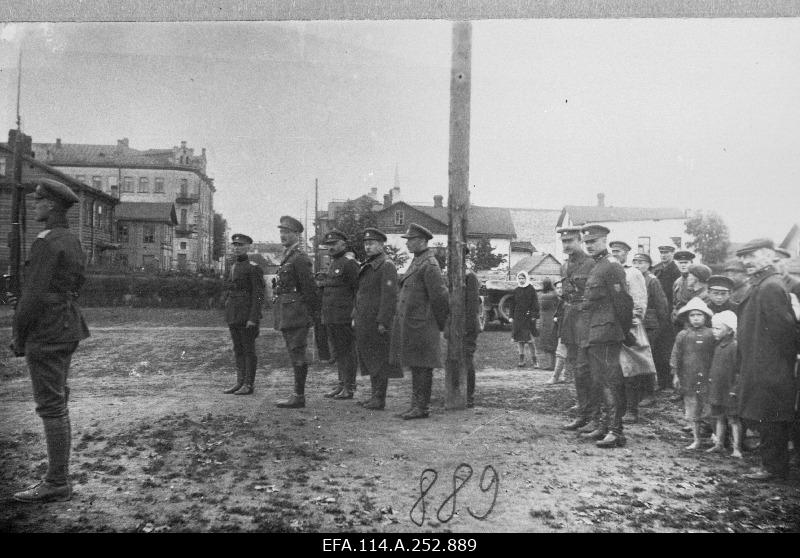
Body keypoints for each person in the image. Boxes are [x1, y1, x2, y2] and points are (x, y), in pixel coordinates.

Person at [11, 179, 90, 503]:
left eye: (40, 200)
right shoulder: (72, 240)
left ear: (53, 206)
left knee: (52, 406)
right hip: (67, 325)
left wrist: (19, 333)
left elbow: (32, 295)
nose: (35, 204)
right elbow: (77, 283)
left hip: (46, 330)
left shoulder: (45, 242)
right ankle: (58, 478)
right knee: (58, 403)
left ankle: (57, 482)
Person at [735, 238, 798, 481]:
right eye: (743, 257)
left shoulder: (770, 286)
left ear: (769, 255)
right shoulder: (762, 284)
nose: (744, 261)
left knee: (770, 415)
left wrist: (775, 364)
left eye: (750, 256)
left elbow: (784, 330)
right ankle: (770, 464)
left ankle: (773, 467)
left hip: (770, 365)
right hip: (760, 362)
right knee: (764, 413)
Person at [389, 223, 449, 420]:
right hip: (414, 324)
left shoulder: (429, 265)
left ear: (422, 241)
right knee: (416, 365)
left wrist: (438, 325)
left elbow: (439, 298)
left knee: (423, 366)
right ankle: (416, 405)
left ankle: (421, 407)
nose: (407, 244)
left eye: (411, 240)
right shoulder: (417, 262)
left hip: (423, 325)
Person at [579, 225, 630, 448]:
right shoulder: (597, 265)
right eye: (587, 241)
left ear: (605, 240)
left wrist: (622, 330)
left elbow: (623, 302)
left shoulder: (612, 266)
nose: (590, 245)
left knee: (611, 382)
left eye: (594, 241)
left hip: (608, 331)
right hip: (595, 331)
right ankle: (602, 426)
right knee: (598, 381)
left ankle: (616, 431)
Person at [273, 216, 319, 409]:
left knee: (298, 353)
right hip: (288, 311)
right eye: (281, 232)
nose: (283, 235)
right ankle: (297, 394)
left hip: (297, 313)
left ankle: (298, 395)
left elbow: (309, 289)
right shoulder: (288, 257)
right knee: (294, 354)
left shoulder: (299, 258)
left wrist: (311, 315)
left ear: (297, 235)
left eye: (287, 232)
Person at [353, 228, 401, 410]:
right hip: (365, 319)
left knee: (379, 359)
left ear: (381, 245)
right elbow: (361, 294)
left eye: (372, 243)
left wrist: (383, 321)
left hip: (376, 321)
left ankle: (379, 398)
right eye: (366, 243)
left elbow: (389, 296)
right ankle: (374, 395)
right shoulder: (369, 264)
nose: (368, 247)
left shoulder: (386, 265)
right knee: (370, 358)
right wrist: (354, 315)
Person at [557, 227, 599, 432]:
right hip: (570, 320)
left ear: (580, 240)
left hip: (586, 320)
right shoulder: (564, 266)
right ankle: (582, 413)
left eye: (570, 241)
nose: (566, 245)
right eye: (564, 241)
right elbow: (565, 295)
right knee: (575, 368)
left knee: (586, 369)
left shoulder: (592, 263)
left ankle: (593, 416)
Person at [610, 241, 655, 423]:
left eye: (619, 251)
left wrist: (633, 321)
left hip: (629, 326)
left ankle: (632, 409)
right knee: (615, 370)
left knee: (632, 369)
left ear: (627, 253)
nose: (615, 254)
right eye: (612, 251)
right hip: (611, 327)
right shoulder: (611, 270)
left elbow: (639, 300)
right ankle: (618, 406)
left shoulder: (633, 273)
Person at [319, 230, 360, 400]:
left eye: (334, 244)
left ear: (344, 244)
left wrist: (354, 314)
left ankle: (349, 387)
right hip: (332, 315)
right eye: (328, 245)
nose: (331, 247)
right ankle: (341, 384)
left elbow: (358, 289)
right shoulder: (334, 263)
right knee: (339, 351)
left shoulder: (349, 263)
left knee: (347, 351)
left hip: (344, 316)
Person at [222, 233, 265, 395]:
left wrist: (253, 318)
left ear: (248, 247)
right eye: (235, 245)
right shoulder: (233, 266)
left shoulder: (253, 267)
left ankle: (249, 383)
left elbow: (258, 294)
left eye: (241, 245)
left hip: (247, 315)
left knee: (248, 349)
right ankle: (239, 381)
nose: (237, 248)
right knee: (237, 348)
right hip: (234, 314)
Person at [670, 297, 716, 450]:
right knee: (692, 408)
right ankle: (696, 439)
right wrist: (676, 374)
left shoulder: (712, 335)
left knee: (710, 408)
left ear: (706, 317)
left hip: (708, 376)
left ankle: (716, 437)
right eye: (692, 315)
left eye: (699, 315)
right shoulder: (683, 335)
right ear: (688, 317)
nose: (696, 319)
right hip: (688, 376)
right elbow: (676, 355)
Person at [633, 253, 671, 396]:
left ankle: (649, 394)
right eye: (635, 262)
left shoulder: (652, 281)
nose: (637, 265)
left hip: (649, 324)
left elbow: (662, 305)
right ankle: (639, 391)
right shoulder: (632, 278)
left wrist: (660, 326)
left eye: (641, 262)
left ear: (648, 265)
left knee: (646, 357)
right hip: (636, 322)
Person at [707, 311, 742, 458]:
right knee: (720, 417)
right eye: (713, 328)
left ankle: (737, 448)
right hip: (718, 388)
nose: (714, 332)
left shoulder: (734, 346)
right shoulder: (718, 346)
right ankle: (719, 444)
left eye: (718, 329)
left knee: (733, 419)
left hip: (730, 390)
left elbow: (739, 370)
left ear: (729, 330)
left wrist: (735, 388)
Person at [463, 245, 482, 407]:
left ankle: (469, 396)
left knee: (467, 359)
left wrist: (466, 328)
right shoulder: (456, 276)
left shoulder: (470, 277)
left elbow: (472, 306)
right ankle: (460, 392)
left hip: (468, 325)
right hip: (458, 326)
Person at [511, 271, 539, 368]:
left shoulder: (531, 289)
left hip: (528, 318)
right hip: (518, 317)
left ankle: (535, 361)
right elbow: (512, 304)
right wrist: (511, 316)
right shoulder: (516, 290)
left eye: (523, 278)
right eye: (519, 278)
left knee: (530, 340)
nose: (521, 280)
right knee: (520, 340)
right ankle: (521, 360)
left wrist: (533, 314)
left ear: (526, 278)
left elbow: (535, 303)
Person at [535, 278, 558, 373]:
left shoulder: (541, 295)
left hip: (544, 320)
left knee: (546, 343)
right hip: (552, 320)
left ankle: (550, 364)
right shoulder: (554, 295)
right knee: (553, 342)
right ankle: (553, 364)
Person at [549, 279, 568, 384]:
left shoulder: (566, 301)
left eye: (562, 288)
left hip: (567, 330)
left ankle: (556, 377)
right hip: (562, 330)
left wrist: (557, 318)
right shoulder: (560, 301)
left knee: (561, 353)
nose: (560, 290)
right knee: (562, 353)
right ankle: (561, 376)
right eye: (558, 288)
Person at [652, 242, 681, 311]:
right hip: (657, 307)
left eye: (666, 252)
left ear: (673, 253)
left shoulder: (676, 271)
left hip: (669, 307)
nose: (663, 255)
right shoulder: (657, 270)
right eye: (661, 253)